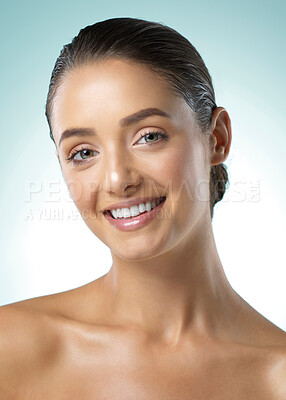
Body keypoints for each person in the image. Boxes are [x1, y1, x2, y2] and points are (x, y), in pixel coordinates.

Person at [0, 17, 285, 399]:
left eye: (148, 136)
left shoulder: (276, 378)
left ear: (217, 139)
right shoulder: (10, 348)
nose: (118, 180)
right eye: (83, 152)